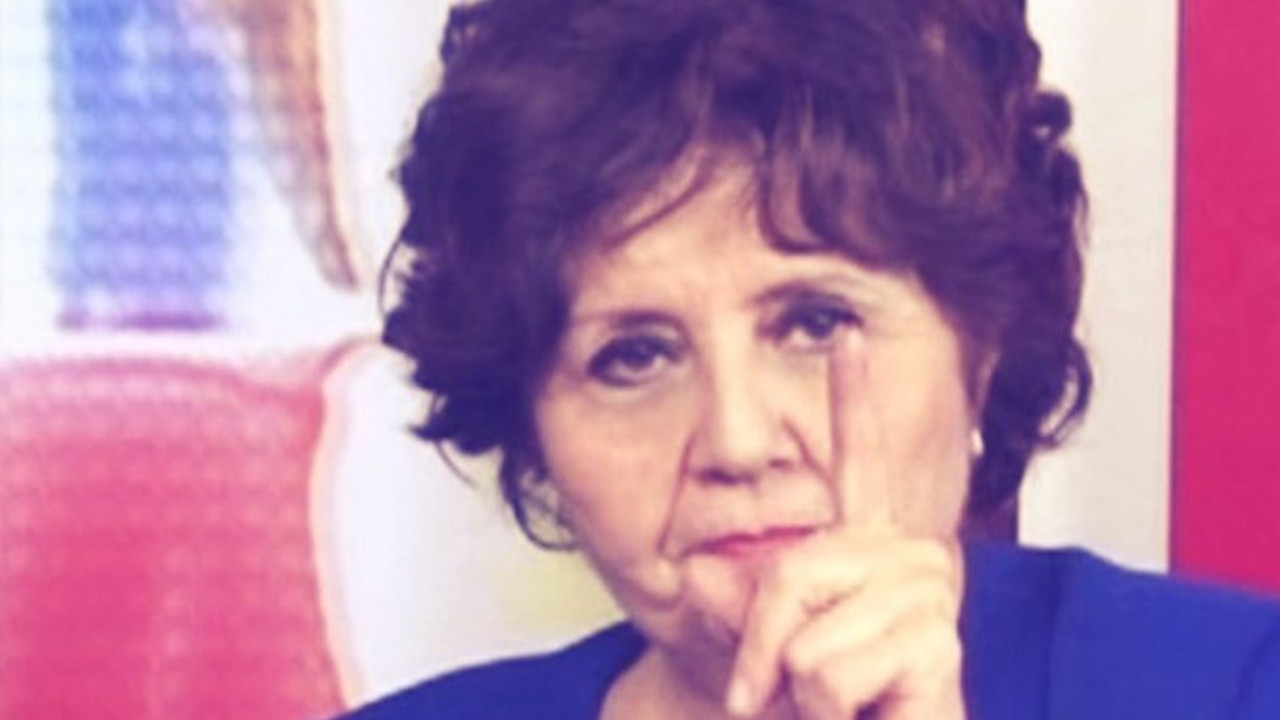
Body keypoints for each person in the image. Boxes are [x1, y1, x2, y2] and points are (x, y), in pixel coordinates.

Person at [341, 0, 1280, 717]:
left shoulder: (1234, 686)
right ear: (535, 428)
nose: (739, 441)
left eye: (815, 323)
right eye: (634, 357)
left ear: (984, 344)